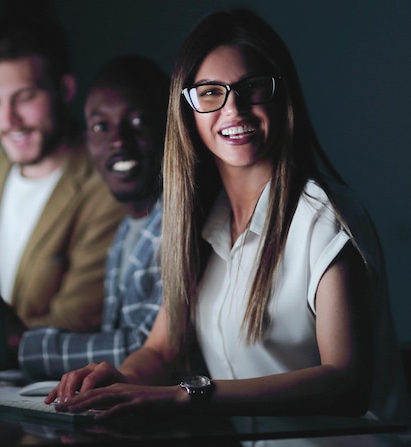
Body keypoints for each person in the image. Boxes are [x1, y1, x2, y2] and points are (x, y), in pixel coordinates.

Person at [48, 8, 411, 433]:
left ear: (280, 94)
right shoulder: (201, 222)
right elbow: (161, 350)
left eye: (252, 87)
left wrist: (186, 395)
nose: (233, 108)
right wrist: (121, 380)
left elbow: (346, 383)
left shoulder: (322, 216)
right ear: (187, 110)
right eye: (209, 93)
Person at [0, 17, 125, 342]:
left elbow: (75, 320)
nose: (9, 121)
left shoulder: (108, 184)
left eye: (25, 97)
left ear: (64, 89)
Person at [17, 55, 168, 380]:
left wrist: (21, 344)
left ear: (169, 127)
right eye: (101, 126)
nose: (118, 141)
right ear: (88, 141)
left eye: (138, 121)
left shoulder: (180, 227)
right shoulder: (126, 229)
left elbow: (145, 348)